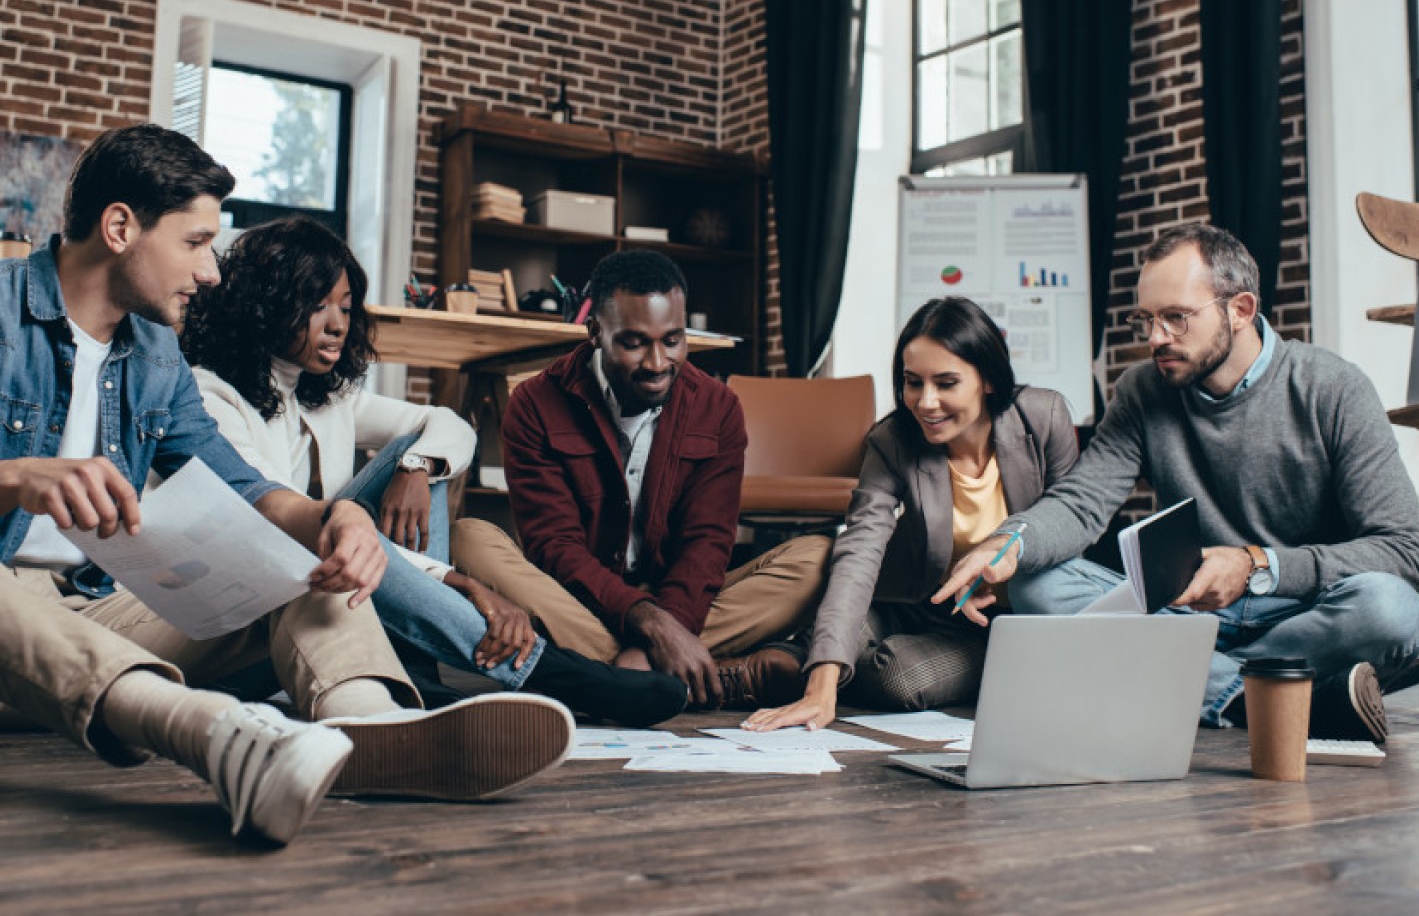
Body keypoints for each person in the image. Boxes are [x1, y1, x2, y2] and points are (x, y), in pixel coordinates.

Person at [0, 125, 573, 848]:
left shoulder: (155, 356)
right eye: (194, 242)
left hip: (98, 609)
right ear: (120, 227)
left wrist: (336, 520)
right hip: (10, 625)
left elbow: (242, 487)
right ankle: (213, 739)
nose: (210, 271)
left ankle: (368, 728)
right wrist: (17, 477)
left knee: (296, 563)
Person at [179, 216, 687, 728]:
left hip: (330, 586)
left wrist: (417, 467)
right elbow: (287, 529)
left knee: (417, 451)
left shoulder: (324, 394)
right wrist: (460, 581)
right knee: (343, 521)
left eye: (346, 308)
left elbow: (447, 424)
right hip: (252, 626)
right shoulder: (210, 396)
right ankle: (551, 673)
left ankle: (418, 675)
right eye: (317, 306)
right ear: (265, 305)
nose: (337, 324)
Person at [936, 223, 1419, 743]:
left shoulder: (1333, 388)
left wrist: (1256, 565)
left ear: (1240, 309)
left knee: (1392, 609)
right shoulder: (1142, 389)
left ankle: (1185, 678)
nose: (1155, 339)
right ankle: (1247, 696)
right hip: (1187, 611)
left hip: (1304, 611)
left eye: (1176, 318)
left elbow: (1400, 552)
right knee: (1035, 581)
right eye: (1146, 320)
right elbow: (1083, 503)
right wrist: (1010, 542)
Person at [453, 249, 831, 709]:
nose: (657, 362)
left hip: (684, 600)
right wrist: (652, 626)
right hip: (579, 603)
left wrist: (667, 623)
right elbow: (555, 548)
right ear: (595, 333)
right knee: (467, 538)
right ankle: (707, 674)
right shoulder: (534, 404)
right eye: (634, 343)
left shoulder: (718, 407)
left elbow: (707, 543)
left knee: (819, 558)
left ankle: (612, 676)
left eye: (672, 340)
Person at [743, 297, 1078, 732]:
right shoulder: (893, 440)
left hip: (1000, 626)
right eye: (913, 382)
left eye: (946, 382)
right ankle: (759, 675)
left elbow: (1072, 525)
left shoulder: (1044, 418)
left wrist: (1002, 574)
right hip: (913, 606)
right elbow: (861, 547)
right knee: (836, 638)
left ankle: (798, 659)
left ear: (988, 380)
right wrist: (822, 683)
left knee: (897, 678)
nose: (926, 402)